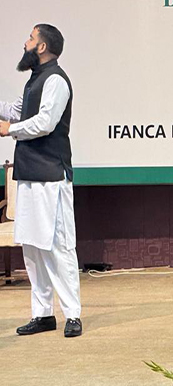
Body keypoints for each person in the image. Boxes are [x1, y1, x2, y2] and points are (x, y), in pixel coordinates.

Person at [0, 24, 82, 338]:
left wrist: (10, 130)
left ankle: (72, 314)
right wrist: (9, 121)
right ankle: (43, 314)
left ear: (42, 46)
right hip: (30, 173)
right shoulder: (35, 80)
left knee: (59, 245)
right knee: (32, 247)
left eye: (30, 38)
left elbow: (45, 123)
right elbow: (16, 111)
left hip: (51, 175)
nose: (25, 43)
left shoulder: (56, 80)